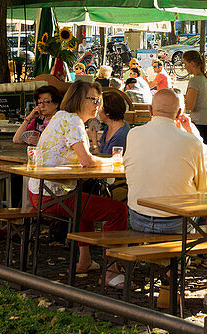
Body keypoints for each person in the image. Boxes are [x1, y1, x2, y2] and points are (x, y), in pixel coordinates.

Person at [30, 80, 128, 286]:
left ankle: (85, 260)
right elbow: (87, 161)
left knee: (86, 197)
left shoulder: (60, 117)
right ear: (78, 99)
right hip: (53, 195)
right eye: (93, 99)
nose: (97, 104)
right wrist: (113, 161)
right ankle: (111, 271)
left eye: (98, 100)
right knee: (118, 210)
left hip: (40, 192)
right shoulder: (73, 122)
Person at [125, 88, 207, 234]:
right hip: (176, 222)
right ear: (179, 112)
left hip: (138, 219)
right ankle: (184, 256)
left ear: (150, 110)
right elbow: (201, 188)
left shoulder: (133, 134)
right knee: (203, 209)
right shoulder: (191, 142)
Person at [182, 50, 207, 142]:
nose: (185, 67)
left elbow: (190, 106)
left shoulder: (194, 80)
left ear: (192, 64)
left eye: (185, 64)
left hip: (199, 123)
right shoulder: (204, 78)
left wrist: (179, 100)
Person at [97, 90, 131, 156]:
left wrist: (94, 141)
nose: (97, 110)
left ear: (107, 112)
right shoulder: (109, 126)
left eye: (99, 107)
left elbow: (105, 160)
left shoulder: (120, 135)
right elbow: (101, 148)